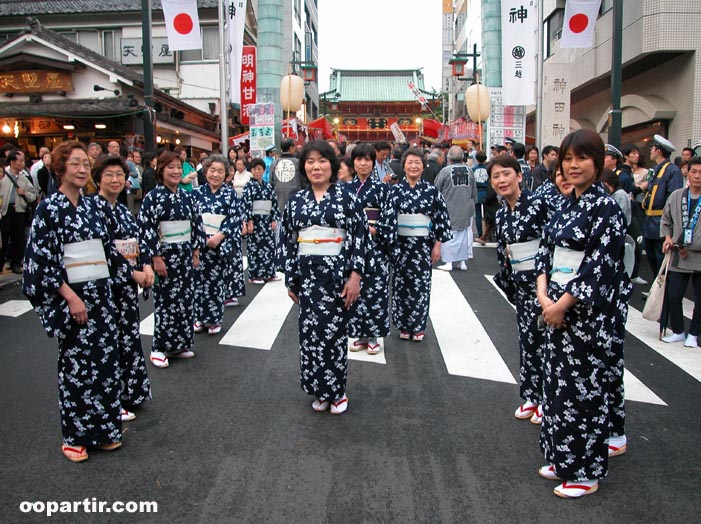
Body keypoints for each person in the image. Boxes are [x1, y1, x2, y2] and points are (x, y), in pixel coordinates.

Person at [22, 141, 137, 462]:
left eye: (86, 163)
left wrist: (131, 274)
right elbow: (41, 261)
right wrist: (70, 297)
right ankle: (74, 436)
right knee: (76, 369)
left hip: (101, 297)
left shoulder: (91, 206)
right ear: (60, 168)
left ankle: (103, 430)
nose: (83, 169)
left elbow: (108, 251)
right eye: (75, 164)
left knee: (105, 364)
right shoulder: (49, 208)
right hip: (72, 299)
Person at [535, 129, 630, 498]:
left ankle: (586, 470)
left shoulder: (606, 208)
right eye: (568, 159)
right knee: (557, 389)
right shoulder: (565, 204)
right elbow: (545, 254)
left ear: (599, 162)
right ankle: (563, 456)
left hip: (585, 318)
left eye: (582, 158)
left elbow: (600, 266)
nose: (573, 166)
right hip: (554, 309)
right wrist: (544, 295)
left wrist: (561, 305)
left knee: (584, 392)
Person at [281, 140, 365, 415]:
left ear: (333, 164)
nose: (316, 167)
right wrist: (291, 279)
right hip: (307, 279)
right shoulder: (295, 201)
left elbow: (360, 238)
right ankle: (318, 388)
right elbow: (288, 240)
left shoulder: (348, 198)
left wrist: (355, 276)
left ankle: (336, 391)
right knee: (310, 336)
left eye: (322, 161)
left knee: (333, 335)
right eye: (310, 162)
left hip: (337, 278)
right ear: (304, 168)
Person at [92, 154, 154, 422]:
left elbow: (138, 240)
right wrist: (133, 272)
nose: (116, 180)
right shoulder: (94, 209)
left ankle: (131, 392)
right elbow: (104, 250)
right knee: (108, 342)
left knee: (128, 337)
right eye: (109, 175)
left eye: (120, 175)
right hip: (107, 286)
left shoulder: (121, 208)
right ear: (98, 180)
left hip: (128, 285)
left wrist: (147, 264)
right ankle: (112, 399)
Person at [491, 155, 549, 425]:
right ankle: (531, 395)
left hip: (543, 284)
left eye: (506, 174)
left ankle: (548, 398)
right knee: (527, 340)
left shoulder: (539, 205)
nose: (501, 180)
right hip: (520, 284)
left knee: (546, 342)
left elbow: (551, 245)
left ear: (519, 176)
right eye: (496, 176)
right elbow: (504, 250)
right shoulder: (502, 211)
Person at [138, 150, 206, 369]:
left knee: (186, 301)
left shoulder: (187, 196)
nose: (176, 171)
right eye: (171, 167)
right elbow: (146, 229)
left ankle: (179, 343)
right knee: (166, 303)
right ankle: (159, 347)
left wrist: (196, 252)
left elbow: (196, 224)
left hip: (185, 254)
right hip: (165, 256)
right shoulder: (153, 197)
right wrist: (155, 257)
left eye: (179, 167)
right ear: (161, 170)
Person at [391, 147, 452, 341]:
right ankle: (403, 324)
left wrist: (438, 245)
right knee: (401, 285)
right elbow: (388, 220)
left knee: (421, 286)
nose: (413, 166)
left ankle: (418, 326)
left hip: (423, 246)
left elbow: (441, 218)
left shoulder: (431, 191)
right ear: (404, 166)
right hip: (400, 246)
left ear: (423, 166)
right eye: (410, 162)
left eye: (417, 162)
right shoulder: (395, 191)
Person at [346, 143, 396, 355]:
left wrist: (374, 229)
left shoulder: (382, 188)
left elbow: (390, 217)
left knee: (375, 291)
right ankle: (359, 334)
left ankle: (374, 336)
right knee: (354, 290)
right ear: (353, 163)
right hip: (352, 248)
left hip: (376, 248)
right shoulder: (344, 189)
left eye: (367, 160)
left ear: (372, 162)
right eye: (359, 160)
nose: (363, 163)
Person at [193, 155, 242, 334]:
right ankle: (199, 318)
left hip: (218, 245)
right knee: (197, 283)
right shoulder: (196, 193)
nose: (215, 175)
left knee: (215, 283)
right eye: (212, 170)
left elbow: (235, 218)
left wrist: (220, 236)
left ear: (226, 174)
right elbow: (191, 220)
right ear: (206, 172)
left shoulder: (230, 194)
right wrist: (199, 237)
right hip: (199, 244)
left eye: (220, 171)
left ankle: (213, 320)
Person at [659, 157, 701, 346]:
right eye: (694, 172)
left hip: (700, 255)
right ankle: (678, 330)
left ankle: (694, 333)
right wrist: (668, 238)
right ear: (687, 172)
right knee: (673, 295)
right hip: (679, 253)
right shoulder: (677, 195)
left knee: (700, 299)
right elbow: (666, 220)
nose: (697, 176)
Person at [642, 135, 684, 277]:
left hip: (661, 221)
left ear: (658, 150)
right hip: (650, 221)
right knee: (652, 258)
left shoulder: (673, 170)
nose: (650, 151)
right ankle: (656, 290)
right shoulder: (656, 169)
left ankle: (663, 293)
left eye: (652, 148)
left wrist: (670, 226)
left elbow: (673, 199)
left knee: (662, 260)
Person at [434, 145, 477, 271]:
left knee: (448, 234)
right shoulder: (468, 170)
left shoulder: (446, 171)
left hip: (449, 206)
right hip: (465, 207)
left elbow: (436, 188)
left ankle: (449, 262)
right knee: (463, 234)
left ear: (449, 158)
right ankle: (462, 262)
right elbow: (473, 190)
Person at [242, 158, 281, 284]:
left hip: (267, 220)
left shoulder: (268, 186)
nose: (257, 171)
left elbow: (274, 203)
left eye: (259, 169)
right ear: (251, 171)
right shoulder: (249, 186)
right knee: (255, 249)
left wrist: (274, 218)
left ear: (264, 170)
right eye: (254, 169)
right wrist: (249, 221)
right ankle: (254, 275)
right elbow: (246, 204)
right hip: (255, 220)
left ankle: (269, 273)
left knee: (269, 247)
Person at [1, 149, 37, 273]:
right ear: (12, 162)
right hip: (4, 210)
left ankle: (16, 263)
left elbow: (33, 195)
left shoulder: (24, 178)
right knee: (3, 239)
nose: (23, 163)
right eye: (20, 160)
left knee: (18, 238)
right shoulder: (3, 174)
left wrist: (24, 193)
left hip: (19, 210)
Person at [622, 144, 649, 285]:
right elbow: (629, 192)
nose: (636, 156)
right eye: (633, 153)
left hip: (633, 210)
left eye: (637, 153)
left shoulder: (627, 172)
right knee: (634, 242)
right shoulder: (624, 173)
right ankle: (631, 273)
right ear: (626, 156)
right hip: (629, 211)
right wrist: (641, 187)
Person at [473, 150, 489, 240]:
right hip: (486, 192)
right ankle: (487, 234)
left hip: (477, 191)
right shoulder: (488, 169)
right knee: (487, 214)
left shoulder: (473, 169)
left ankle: (479, 234)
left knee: (478, 214)